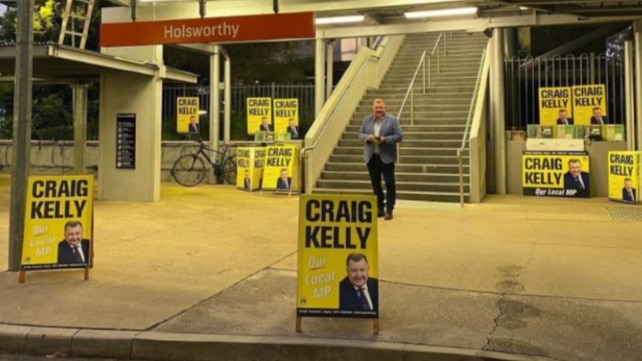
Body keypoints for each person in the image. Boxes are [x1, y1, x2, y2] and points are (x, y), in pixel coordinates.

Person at [358, 98, 403, 220]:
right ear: (373, 108)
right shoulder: (366, 120)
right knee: (375, 184)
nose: (379, 110)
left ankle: (389, 209)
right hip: (372, 157)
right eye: (376, 108)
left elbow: (399, 136)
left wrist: (385, 139)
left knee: (389, 183)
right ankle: (379, 208)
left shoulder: (392, 120)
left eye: (381, 108)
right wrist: (368, 137)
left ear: (385, 108)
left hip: (387, 157)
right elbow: (360, 134)